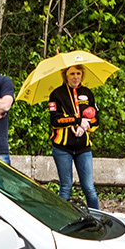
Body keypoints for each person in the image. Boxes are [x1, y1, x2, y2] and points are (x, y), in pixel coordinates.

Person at [47, 64, 99, 209]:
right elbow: (55, 120)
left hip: (83, 148)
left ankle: (97, 218)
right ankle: (60, 221)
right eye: (72, 74)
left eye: (78, 73)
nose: (75, 77)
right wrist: (76, 121)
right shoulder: (56, 94)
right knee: (65, 187)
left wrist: (85, 126)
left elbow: (96, 119)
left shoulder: (88, 93)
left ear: (82, 74)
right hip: (62, 148)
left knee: (89, 188)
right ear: (65, 75)